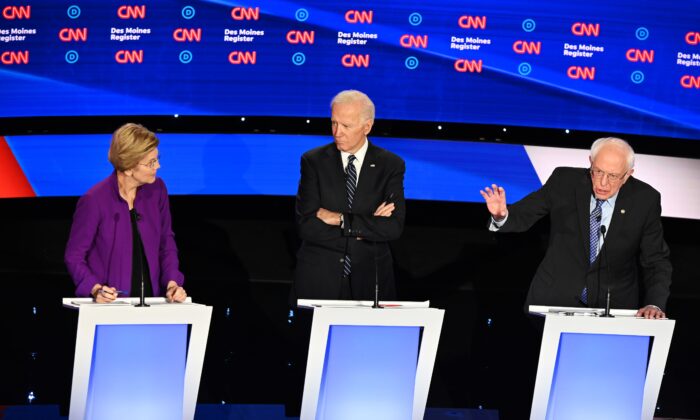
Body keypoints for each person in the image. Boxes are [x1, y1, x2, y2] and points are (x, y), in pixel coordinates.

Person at [480, 137, 671, 319]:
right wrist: (501, 215)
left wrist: (654, 303)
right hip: (553, 302)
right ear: (590, 162)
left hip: (613, 308)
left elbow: (656, 259)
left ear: (628, 174)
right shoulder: (564, 181)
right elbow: (526, 213)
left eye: (613, 176)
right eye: (597, 171)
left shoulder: (645, 200)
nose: (603, 183)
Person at [294, 90, 406, 300]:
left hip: (370, 280)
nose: (337, 132)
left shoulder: (390, 165)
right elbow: (307, 225)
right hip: (319, 279)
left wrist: (341, 220)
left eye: (346, 126)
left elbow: (392, 227)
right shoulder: (313, 161)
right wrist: (368, 227)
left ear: (367, 126)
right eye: (334, 123)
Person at [65, 123, 187, 303]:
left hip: (153, 302)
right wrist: (95, 288)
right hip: (112, 305)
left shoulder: (157, 190)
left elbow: (166, 241)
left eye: (157, 158)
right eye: (151, 162)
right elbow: (74, 256)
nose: (158, 166)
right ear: (129, 168)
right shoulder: (94, 200)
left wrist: (172, 283)